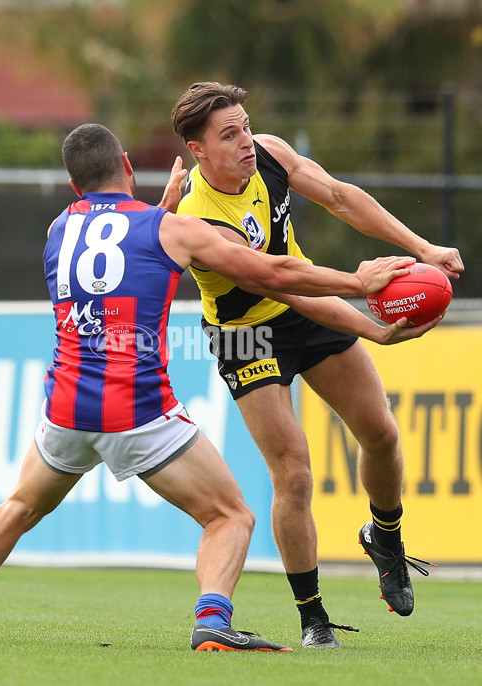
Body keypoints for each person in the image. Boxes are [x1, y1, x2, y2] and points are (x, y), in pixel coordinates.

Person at [0, 123, 423, 651]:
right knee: (229, 515)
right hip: (137, 412)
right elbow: (273, 273)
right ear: (128, 164)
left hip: (65, 410)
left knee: (17, 507)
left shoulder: (59, 229)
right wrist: (360, 284)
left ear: (74, 183)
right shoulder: (173, 229)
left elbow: (118, 249)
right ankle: (214, 620)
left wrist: (162, 210)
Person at [170, 82, 464, 648]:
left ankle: (385, 537)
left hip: (305, 302)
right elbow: (280, 283)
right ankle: (313, 617)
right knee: (295, 473)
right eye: (229, 135)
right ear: (197, 149)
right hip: (244, 333)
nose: (246, 142)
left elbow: (340, 196)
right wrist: (366, 312)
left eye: (246, 126)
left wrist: (423, 248)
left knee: (381, 433)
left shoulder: (272, 155)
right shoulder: (200, 218)